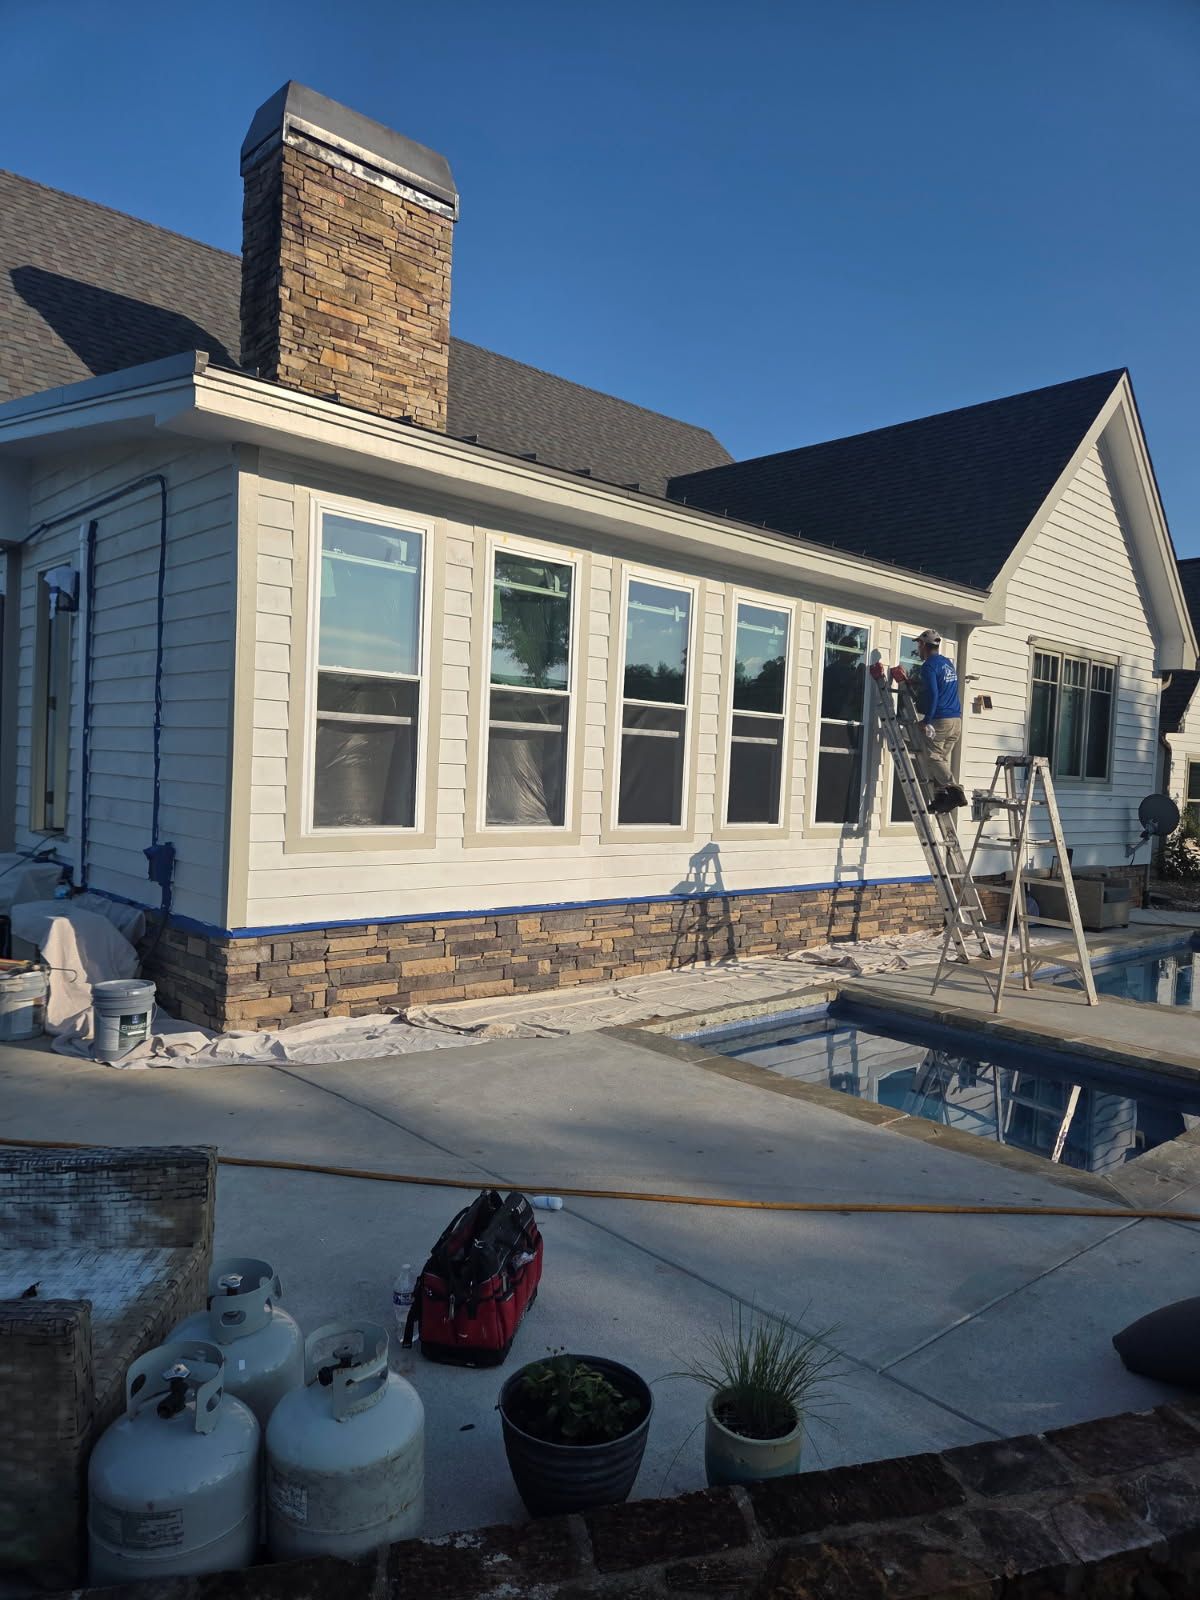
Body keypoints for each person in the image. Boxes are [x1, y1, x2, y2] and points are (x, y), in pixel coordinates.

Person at [912, 629, 966, 813]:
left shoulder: (928, 666)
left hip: (940, 720)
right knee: (939, 762)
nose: (918, 648)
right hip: (956, 721)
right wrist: (919, 683)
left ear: (924, 646)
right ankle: (941, 799)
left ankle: (954, 790)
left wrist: (926, 720)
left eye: (919, 644)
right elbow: (941, 686)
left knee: (933, 757)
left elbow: (934, 694)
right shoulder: (946, 663)